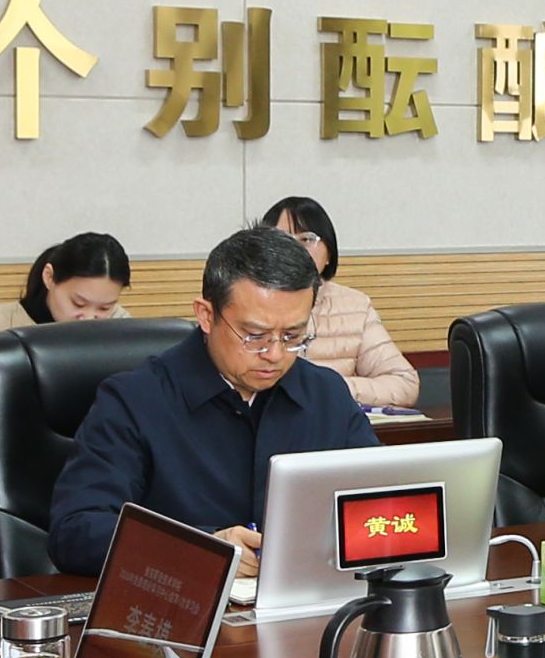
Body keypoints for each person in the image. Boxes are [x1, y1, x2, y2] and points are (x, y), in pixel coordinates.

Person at [46, 226, 375, 572]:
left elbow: (383, 500)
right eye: (255, 336)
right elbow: (76, 532)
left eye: (292, 336)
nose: (275, 354)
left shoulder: (325, 395)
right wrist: (203, 549)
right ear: (206, 315)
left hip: (308, 596)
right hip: (181, 598)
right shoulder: (135, 401)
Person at [0, 230, 127, 431]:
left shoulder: (123, 331)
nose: (89, 318)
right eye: (78, 303)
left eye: (105, 308)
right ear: (49, 277)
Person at [262, 196, 423, 412]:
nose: (294, 249)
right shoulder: (250, 304)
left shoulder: (355, 306)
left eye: (306, 239)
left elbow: (404, 383)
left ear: (329, 252)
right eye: (283, 240)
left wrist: (329, 388)